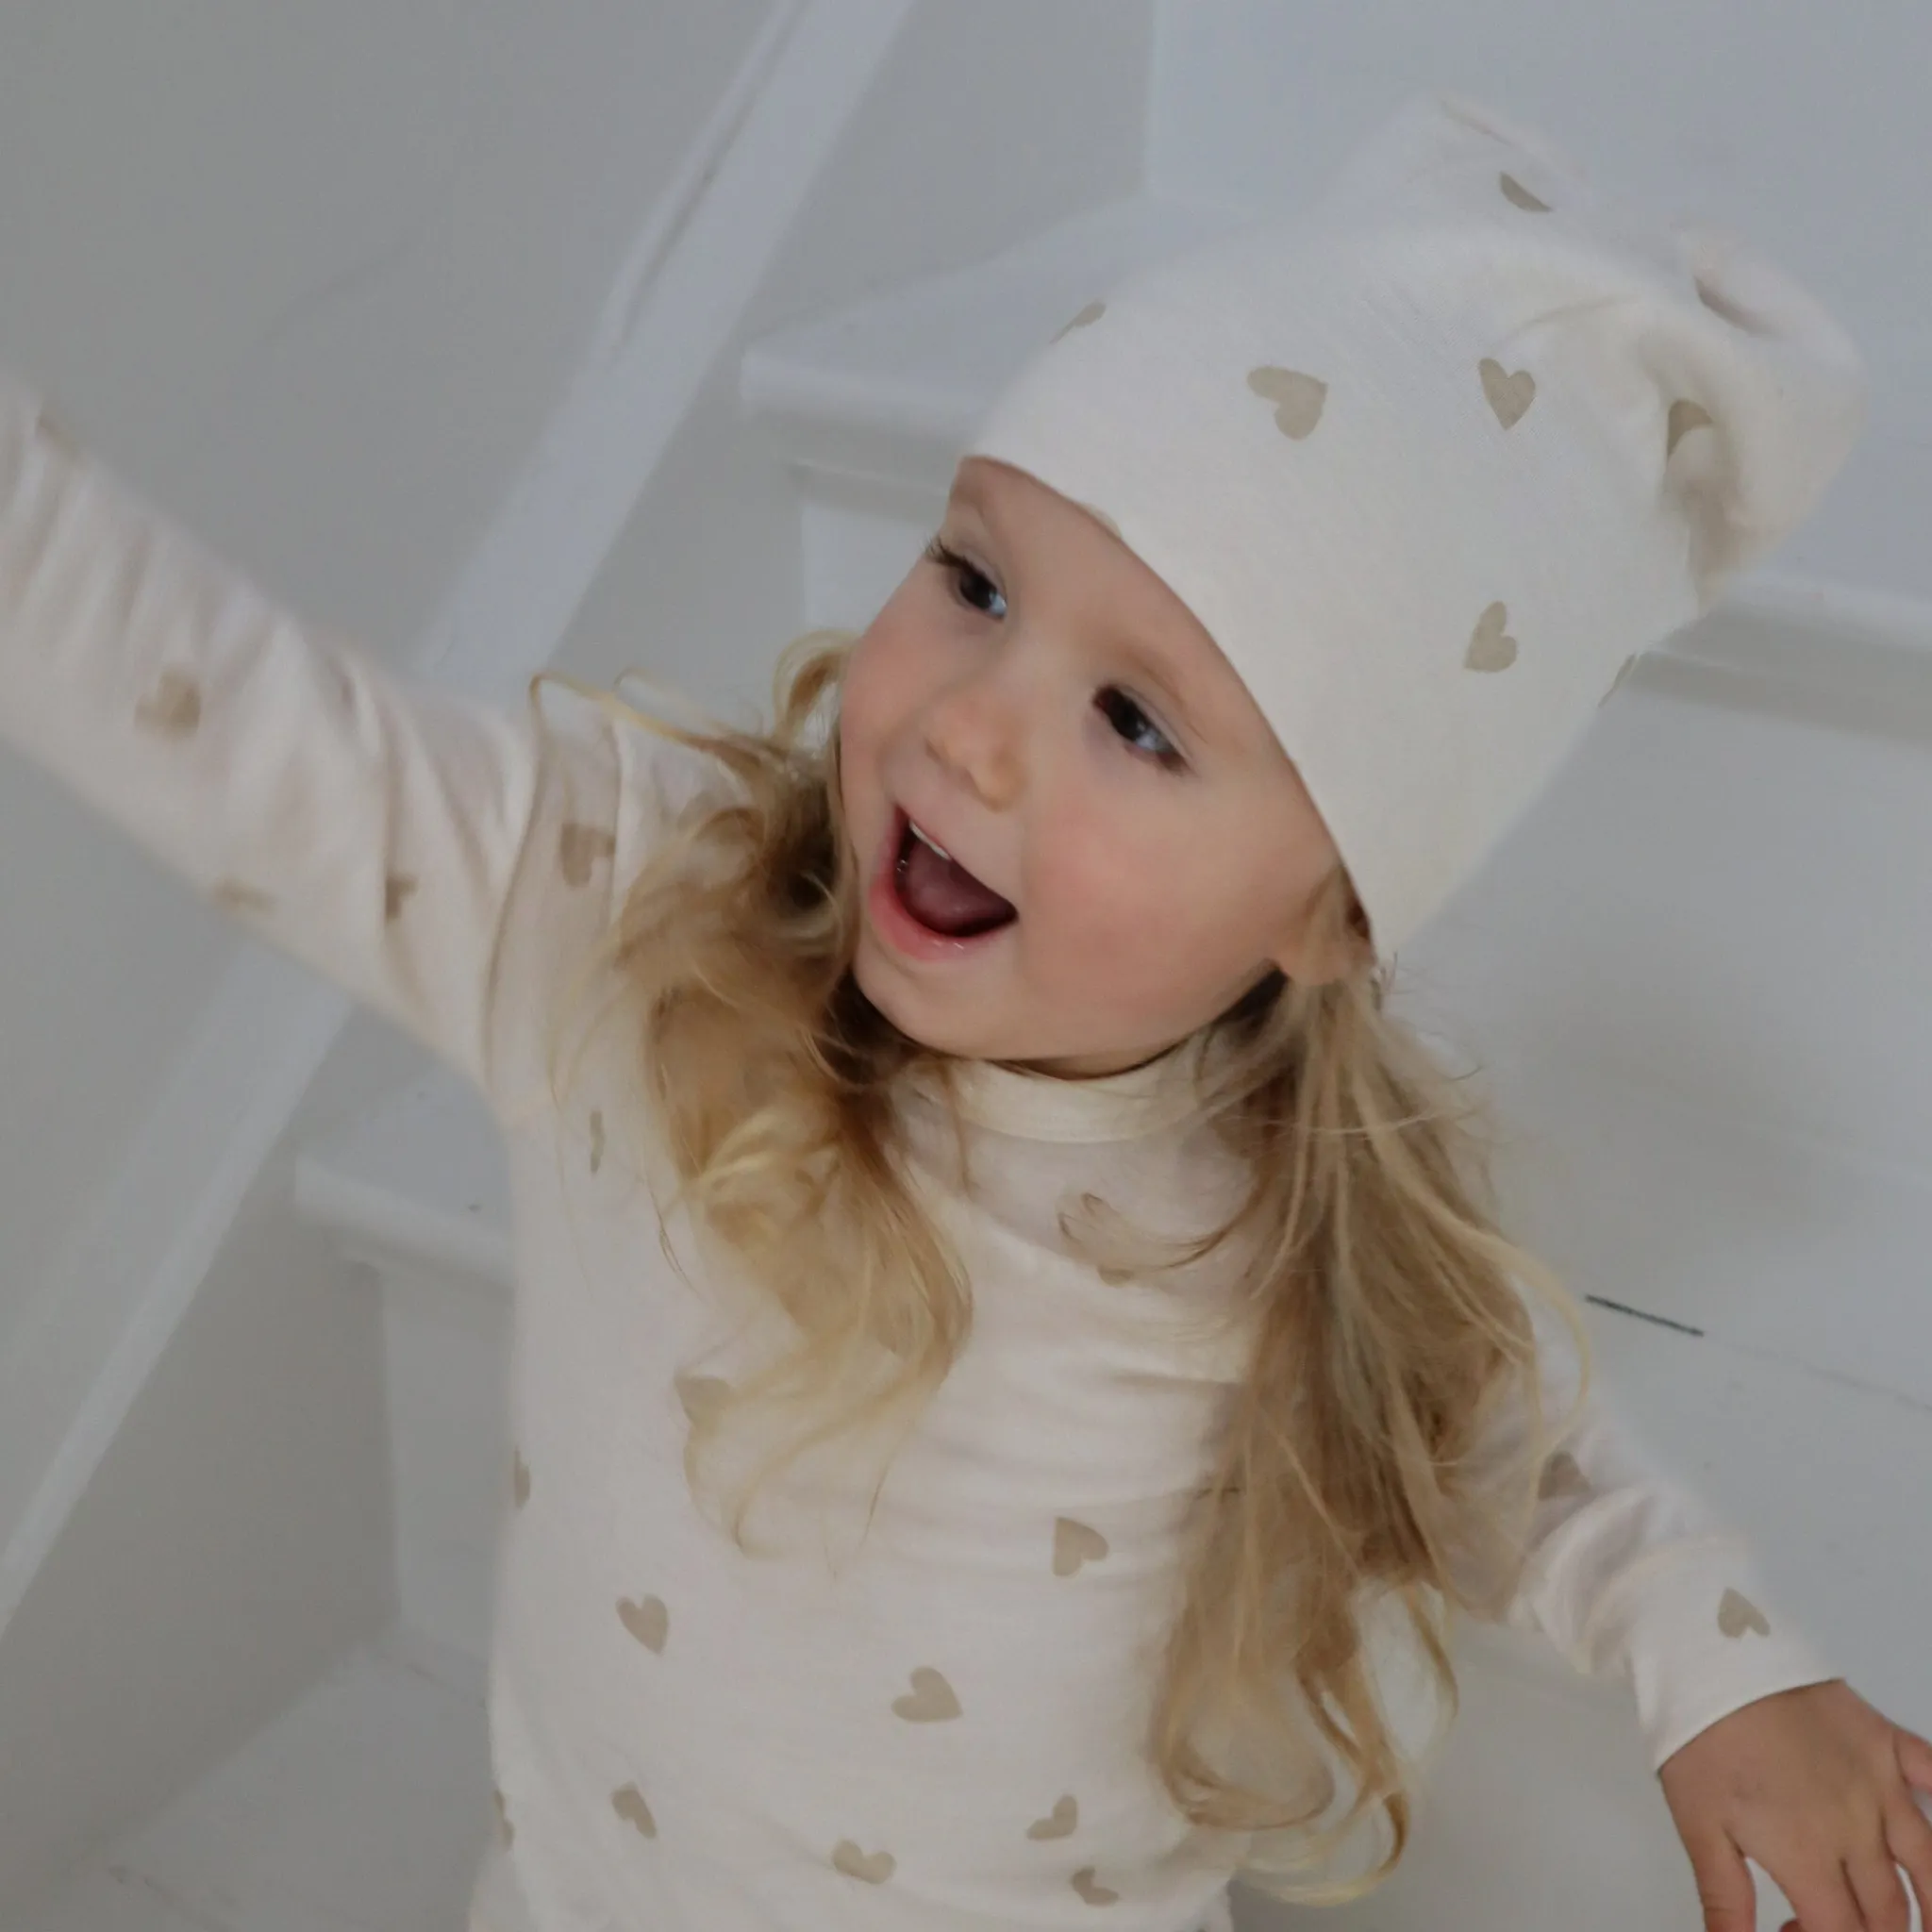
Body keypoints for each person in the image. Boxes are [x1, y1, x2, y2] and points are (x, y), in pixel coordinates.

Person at [0, 88, 1925, 1932]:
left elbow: (1507, 1442)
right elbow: (251, 737)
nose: (971, 728)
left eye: (1136, 721)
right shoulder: (624, 924)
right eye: (977, 579)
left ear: (1332, 911)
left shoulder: (1270, 1229)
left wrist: (1717, 1659)